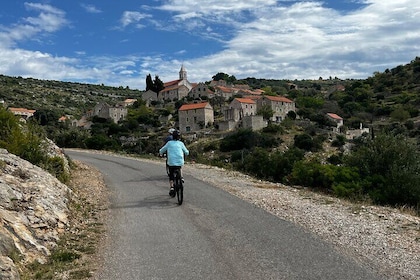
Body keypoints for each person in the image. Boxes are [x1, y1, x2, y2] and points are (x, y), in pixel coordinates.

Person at [159, 130, 189, 197]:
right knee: (180, 167)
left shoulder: (169, 143)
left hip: (171, 162)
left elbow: (161, 150)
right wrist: (186, 153)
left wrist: (161, 154)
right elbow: (187, 152)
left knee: (171, 175)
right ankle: (181, 177)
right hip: (180, 161)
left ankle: (172, 187)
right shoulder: (181, 143)